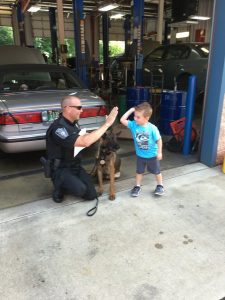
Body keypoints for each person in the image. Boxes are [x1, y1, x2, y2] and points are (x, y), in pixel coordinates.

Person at [46, 95, 118, 203]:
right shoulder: (58, 128)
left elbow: (85, 137)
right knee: (80, 190)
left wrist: (102, 130)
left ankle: (70, 182)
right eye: (79, 108)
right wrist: (107, 124)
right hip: (61, 168)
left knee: (91, 195)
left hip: (75, 166)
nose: (82, 110)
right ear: (68, 108)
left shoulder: (73, 124)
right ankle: (59, 187)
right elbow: (85, 141)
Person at [120, 102, 164, 197]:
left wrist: (159, 152)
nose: (135, 118)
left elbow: (159, 140)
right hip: (140, 156)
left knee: (156, 171)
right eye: (135, 116)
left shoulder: (152, 128)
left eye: (138, 117)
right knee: (139, 172)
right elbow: (122, 119)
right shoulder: (133, 125)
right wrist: (132, 110)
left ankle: (160, 185)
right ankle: (137, 186)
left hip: (152, 156)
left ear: (147, 118)